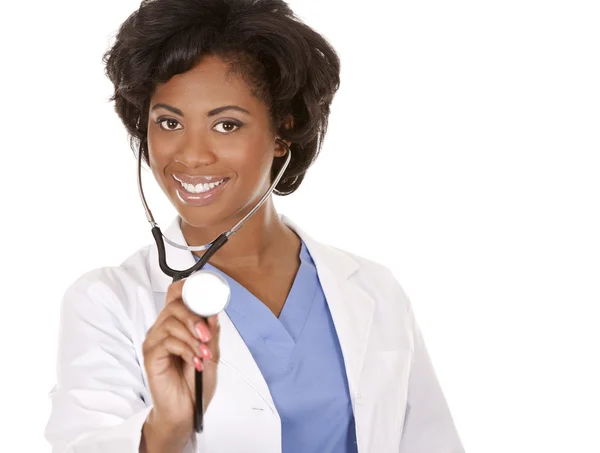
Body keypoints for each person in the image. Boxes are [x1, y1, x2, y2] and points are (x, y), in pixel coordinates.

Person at [44, 0, 464, 452]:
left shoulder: (375, 291)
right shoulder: (108, 303)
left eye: (226, 125)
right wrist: (167, 428)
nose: (191, 155)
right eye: (169, 122)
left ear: (284, 130)